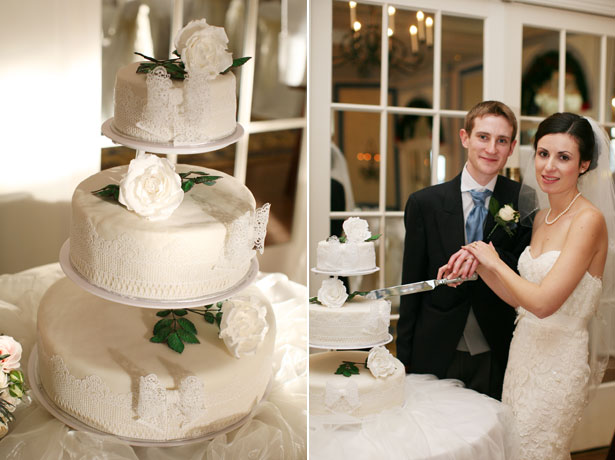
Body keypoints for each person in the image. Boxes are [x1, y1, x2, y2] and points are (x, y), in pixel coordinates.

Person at [459, 112, 614, 460]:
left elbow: (544, 304)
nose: (549, 166)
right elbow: (522, 301)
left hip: (558, 366)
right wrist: (477, 268)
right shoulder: (543, 217)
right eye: (543, 154)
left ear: (584, 164)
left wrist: (496, 261)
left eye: (564, 157)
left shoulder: (589, 220)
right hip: (523, 354)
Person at [396, 100, 532, 400]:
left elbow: (524, 268)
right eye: (483, 137)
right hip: (436, 346)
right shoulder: (425, 203)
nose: (491, 148)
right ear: (465, 137)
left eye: (502, 141)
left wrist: (484, 258)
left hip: (496, 346)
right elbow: (412, 283)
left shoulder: (523, 198)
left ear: (511, 148)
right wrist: (402, 357)